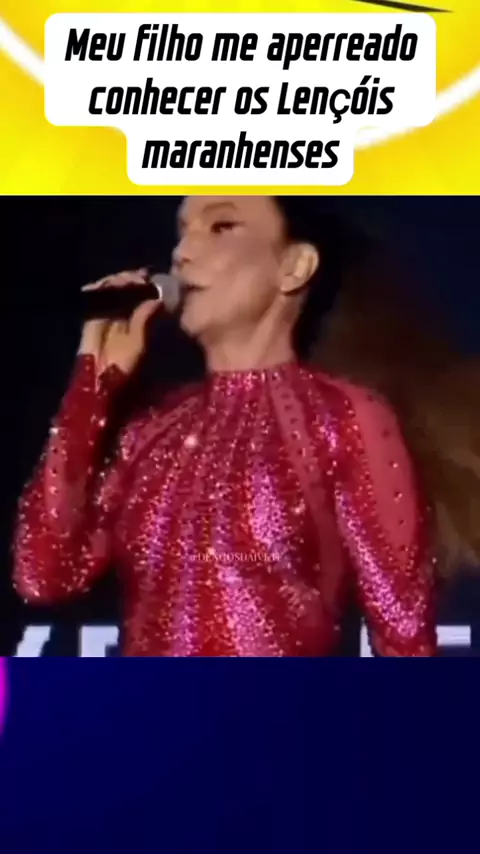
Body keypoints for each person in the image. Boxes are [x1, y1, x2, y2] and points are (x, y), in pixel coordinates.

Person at [12, 196, 480, 656]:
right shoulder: (149, 431)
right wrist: (91, 388)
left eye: (221, 227)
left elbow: (405, 639)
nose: (182, 252)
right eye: (182, 231)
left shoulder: (344, 419)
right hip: (150, 708)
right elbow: (43, 575)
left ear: (294, 266)